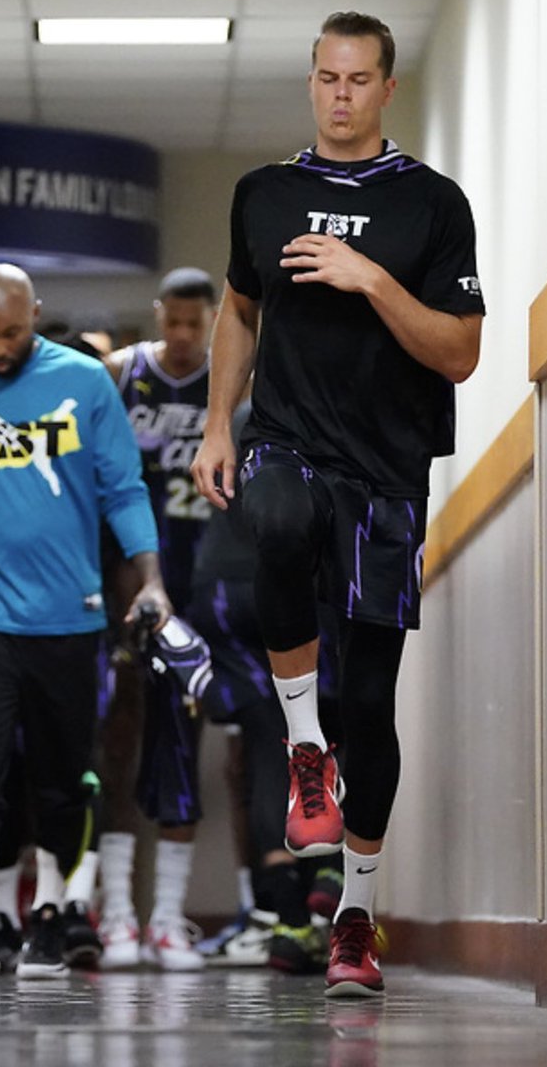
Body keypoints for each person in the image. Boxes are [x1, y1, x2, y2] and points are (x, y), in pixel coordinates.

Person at [191, 12, 485, 998]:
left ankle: (354, 914)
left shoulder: (431, 205)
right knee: (270, 521)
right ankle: (302, 746)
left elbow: (458, 351)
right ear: (310, 82)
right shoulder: (263, 193)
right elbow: (240, 306)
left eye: (357, 80)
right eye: (325, 77)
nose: (339, 94)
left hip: (389, 466)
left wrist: (371, 280)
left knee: (371, 699)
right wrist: (217, 424)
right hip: (286, 438)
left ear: (384, 89)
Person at [0, 262, 171, 979]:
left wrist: (152, 582)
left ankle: (60, 911)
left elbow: (123, 489)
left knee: (64, 778)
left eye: (13, 332)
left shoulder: (83, 379)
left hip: (70, 616)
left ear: (36, 313)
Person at [189, 401, 344, 975]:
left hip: (222, 588)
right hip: (291, 582)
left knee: (265, 747)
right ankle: (329, 875)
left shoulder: (237, 420)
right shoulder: (320, 414)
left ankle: (287, 920)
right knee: (327, 723)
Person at [97, 267, 215, 972]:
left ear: (210, 323)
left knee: (184, 741)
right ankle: (116, 916)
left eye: (192, 325)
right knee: (117, 739)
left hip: (200, 581)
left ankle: (168, 919)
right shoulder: (118, 373)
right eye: (169, 322)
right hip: (125, 582)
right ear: (157, 315)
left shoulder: (233, 382)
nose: (178, 337)